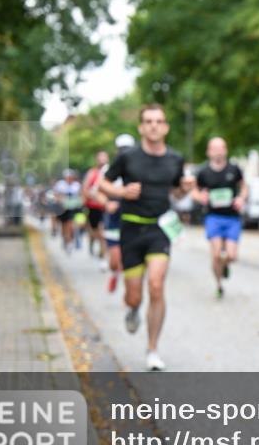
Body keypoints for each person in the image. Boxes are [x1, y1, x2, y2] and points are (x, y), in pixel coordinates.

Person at [100, 104, 195, 371]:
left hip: (159, 229)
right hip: (131, 229)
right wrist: (121, 193)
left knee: (156, 285)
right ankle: (132, 308)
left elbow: (176, 194)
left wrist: (184, 190)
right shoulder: (128, 157)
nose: (154, 125)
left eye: (159, 121)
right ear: (141, 127)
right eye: (149, 121)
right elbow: (103, 184)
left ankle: (152, 348)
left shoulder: (175, 159)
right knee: (134, 296)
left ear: (165, 127)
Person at [193, 137, 247, 299]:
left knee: (232, 256)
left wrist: (241, 198)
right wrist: (200, 197)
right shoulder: (203, 172)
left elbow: (244, 187)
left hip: (232, 218)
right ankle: (218, 284)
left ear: (225, 150)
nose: (218, 151)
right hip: (213, 217)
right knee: (216, 254)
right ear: (208, 152)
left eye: (221, 148)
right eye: (214, 148)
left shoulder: (234, 169)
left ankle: (224, 266)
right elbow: (194, 191)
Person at [103, 134, 136, 293]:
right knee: (115, 261)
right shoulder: (109, 169)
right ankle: (114, 274)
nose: (125, 152)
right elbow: (98, 190)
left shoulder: (139, 166)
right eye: (122, 149)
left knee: (127, 261)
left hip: (131, 219)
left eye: (128, 149)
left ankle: (129, 293)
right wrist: (107, 203)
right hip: (114, 219)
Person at [83, 150, 110, 259]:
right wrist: (94, 196)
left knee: (103, 232)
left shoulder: (110, 171)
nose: (102, 160)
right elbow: (85, 189)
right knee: (95, 232)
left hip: (106, 208)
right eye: (100, 157)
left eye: (104, 157)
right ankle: (92, 241)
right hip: (93, 207)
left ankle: (103, 254)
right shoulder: (92, 173)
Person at [53, 170, 83, 253]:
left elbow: (81, 195)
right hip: (63, 209)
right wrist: (61, 200)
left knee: (71, 226)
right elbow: (56, 196)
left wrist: (79, 202)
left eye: (70, 177)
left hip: (73, 209)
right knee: (63, 226)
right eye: (67, 177)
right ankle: (65, 238)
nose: (69, 179)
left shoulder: (76, 185)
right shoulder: (60, 185)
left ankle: (70, 241)